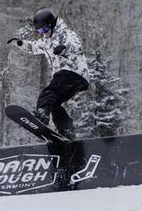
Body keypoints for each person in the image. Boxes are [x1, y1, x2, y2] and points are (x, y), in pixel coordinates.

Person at [7, 8, 90, 139]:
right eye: (39, 31)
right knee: (55, 105)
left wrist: (64, 49)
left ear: (51, 25)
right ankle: (67, 131)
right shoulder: (45, 42)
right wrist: (20, 43)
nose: (43, 34)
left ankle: (42, 113)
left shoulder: (65, 34)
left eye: (44, 30)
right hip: (76, 80)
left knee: (48, 93)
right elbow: (33, 47)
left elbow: (77, 46)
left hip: (72, 71)